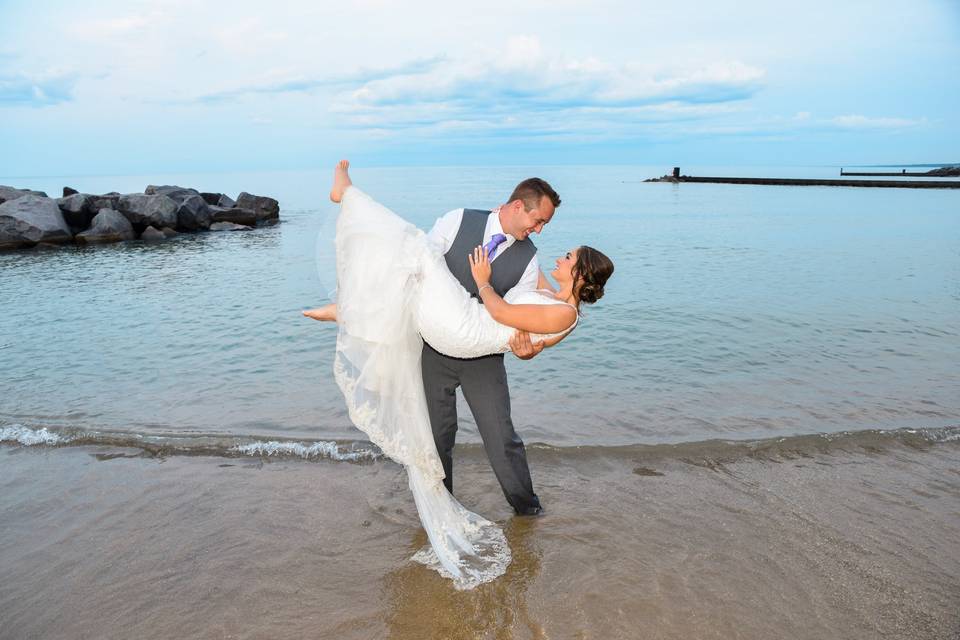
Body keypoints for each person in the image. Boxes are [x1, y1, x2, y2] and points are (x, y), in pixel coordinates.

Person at [305, 161, 613, 588]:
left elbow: (527, 320)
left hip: (479, 351)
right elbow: (412, 277)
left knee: (501, 439)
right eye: (538, 220)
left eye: (545, 225)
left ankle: (528, 510)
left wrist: (524, 346)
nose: (540, 231)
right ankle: (439, 506)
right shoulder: (458, 220)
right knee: (437, 436)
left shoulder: (529, 260)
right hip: (437, 346)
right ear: (517, 207)